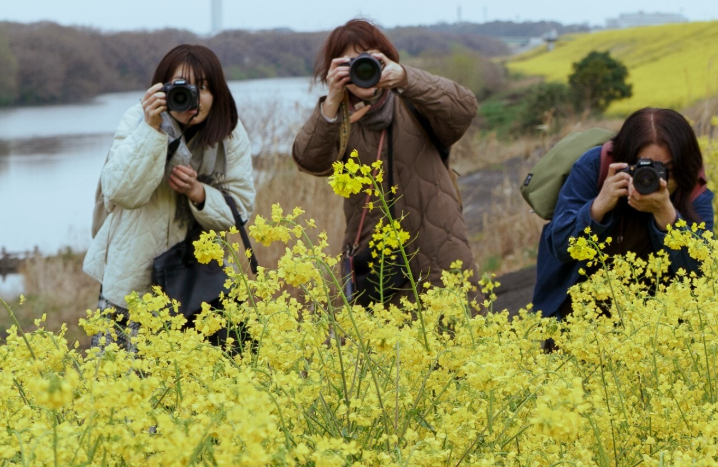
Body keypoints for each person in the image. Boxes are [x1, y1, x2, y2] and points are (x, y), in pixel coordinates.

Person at [292, 19, 478, 304]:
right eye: (350, 63)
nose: (361, 70)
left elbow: (465, 107)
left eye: (369, 59)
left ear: (386, 59)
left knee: (454, 337)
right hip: (375, 263)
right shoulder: (339, 121)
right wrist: (330, 102)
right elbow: (308, 160)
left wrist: (406, 78)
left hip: (438, 247)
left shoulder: (415, 102)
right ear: (335, 69)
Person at [84, 43, 255, 321]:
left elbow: (241, 211)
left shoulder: (230, 135)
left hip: (200, 287)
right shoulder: (137, 120)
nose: (193, 97)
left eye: (203, 87)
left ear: (217, 92)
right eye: (182, 87)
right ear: (162, 89)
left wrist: (199, 193)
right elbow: (121, 192)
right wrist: (151, 129)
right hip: (133, 285)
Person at [533, 107, 715, 317]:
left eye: (665, 170)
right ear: (625, 159)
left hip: (655, 324)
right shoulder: (595, 167)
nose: (654, 180)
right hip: (581, 319)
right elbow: (560, 246)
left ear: (685, 165)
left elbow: (701, 276)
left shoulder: (692, 190)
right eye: (643, 168)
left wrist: (668, 218)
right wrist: (597, 207)